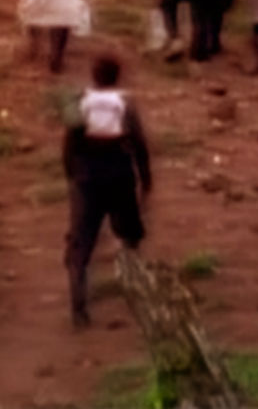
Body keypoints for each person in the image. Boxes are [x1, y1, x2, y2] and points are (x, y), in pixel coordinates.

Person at [62, 56, 151, 330]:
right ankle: (135, 287)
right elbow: (139, 143)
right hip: (119, 174)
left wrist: (72, 175)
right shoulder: (124, 104)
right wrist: (146, 179)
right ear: (117, 76)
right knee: (130, 232)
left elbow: (69, 143)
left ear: (94, 75)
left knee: (81, 245)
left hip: (87, 177)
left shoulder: (80, 102)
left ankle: (79, 310)